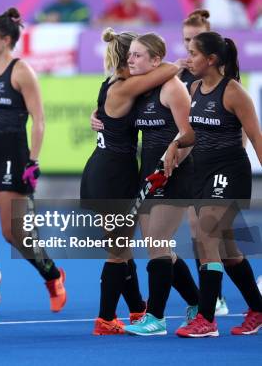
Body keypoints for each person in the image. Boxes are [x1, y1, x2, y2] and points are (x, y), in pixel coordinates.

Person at [80, 28, 178, 335]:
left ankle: (136, 309)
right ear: (127, 57)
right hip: (114, 174)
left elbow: (106, 115)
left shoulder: (111, 82)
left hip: (103, 170)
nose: (137, 58)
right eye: (134, 53)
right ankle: (105, 319)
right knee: (119, 251)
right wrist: (176, 62)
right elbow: (171, 68)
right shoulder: (126, 85)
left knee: (121, 247)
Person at [0, 7, 66, 313]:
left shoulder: (21, 71)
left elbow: (39, 120)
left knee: (14, 233)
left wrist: (33, 161)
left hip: (14, 153)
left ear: (6, 39)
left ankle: (52, 274)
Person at [176, 31, 262, 337]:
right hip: (202, 172)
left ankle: (207, 319)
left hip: (230, 173)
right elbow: (195, 134)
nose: (188, 58)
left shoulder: (234, 92)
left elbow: (256, 138)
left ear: (211, 60)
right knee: (227, 249)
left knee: (206, 236)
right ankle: (258, 309)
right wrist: (173, 151)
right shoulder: (195, 87)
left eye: (194, 54)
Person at [118, 33, 197, 336]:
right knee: (158, 247)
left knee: (158, 245)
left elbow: (191, 135)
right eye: (130, 55)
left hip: (174, 176)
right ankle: (196, 301)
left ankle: (157, 318)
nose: (131, 60)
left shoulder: (172, 89)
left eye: (138, 55)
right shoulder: (142, 89)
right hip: (148, 174)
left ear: (156, 59)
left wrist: (172, 157)